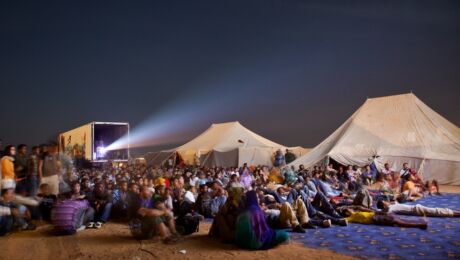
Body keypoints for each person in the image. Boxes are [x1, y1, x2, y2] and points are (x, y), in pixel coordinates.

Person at [377, 200, 460, 217]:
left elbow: (395, 202)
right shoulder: (388, 209)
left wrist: (390, 202)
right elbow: (383, 212)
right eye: (385, 202)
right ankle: (456, 213)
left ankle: (455, 212)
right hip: (416, 210)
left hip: (416, 207)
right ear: (384, 206)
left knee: (437, 210)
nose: (387, 201)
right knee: (436, 211)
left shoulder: (390, 206)